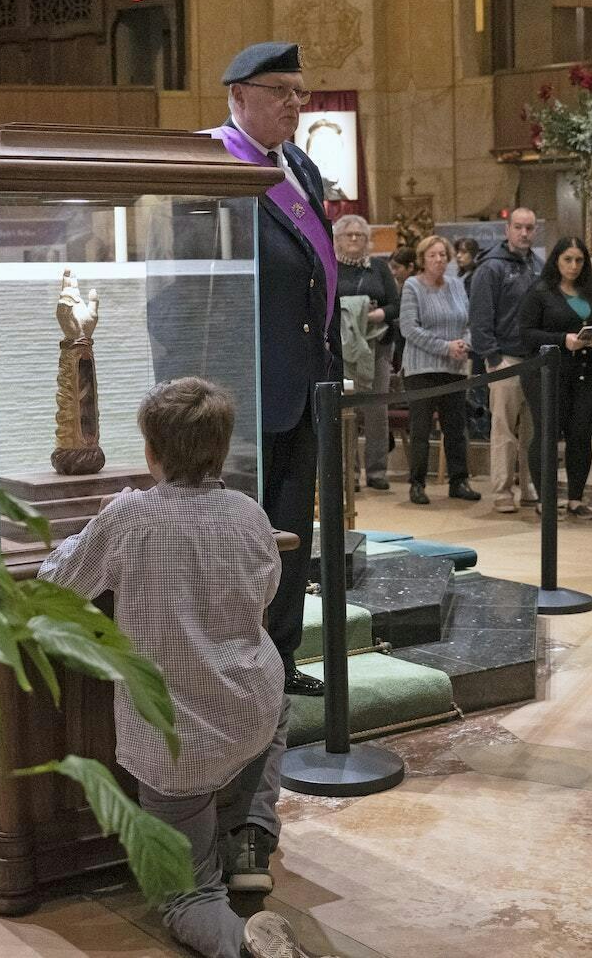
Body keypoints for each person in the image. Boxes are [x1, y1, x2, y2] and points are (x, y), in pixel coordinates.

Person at [38, 379, 325, 958]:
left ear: (151, 452)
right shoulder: (248, 514)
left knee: (187, 899)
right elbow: (264, 591)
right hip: (247, 706)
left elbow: (56, 582)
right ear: (221, 450)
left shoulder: (130, 516)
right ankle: (250, 836)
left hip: (171, 742)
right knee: (275, 713)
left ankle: (242, 947)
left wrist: (89, 529)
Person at [215, 41, 339, 698]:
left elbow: (319, 278)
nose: (295, 103)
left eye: (300, 90)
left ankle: (282, 655)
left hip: (304, 382)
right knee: (242, 536)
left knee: (294, 530)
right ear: (238, 96)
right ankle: (238, 660)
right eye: (280, 91)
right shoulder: (212, 161)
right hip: (242, 388)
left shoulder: (300, 166)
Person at [518, 236, 592, 519]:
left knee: (581, 436)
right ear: (556, 261)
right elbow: (526, 334)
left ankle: (575, 499)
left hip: (588, 373)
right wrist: (563, 339)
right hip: (549, 375)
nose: (573, 266)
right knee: (547, 435)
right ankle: (545, 500)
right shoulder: (540, 292)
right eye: (567, 260)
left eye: (579, 260)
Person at [399, 234, 482, 506]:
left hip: (455, 368)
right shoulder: (413, 286)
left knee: (456, 428)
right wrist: (445, 347)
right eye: (433, 255)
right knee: (421, 429)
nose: (439, 260)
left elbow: (468, 322)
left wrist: (464, 344)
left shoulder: (457, 285)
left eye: (443, 255)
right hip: (421, 369)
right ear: (423, 259)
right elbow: (409, 328)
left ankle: (459, 481)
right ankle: (417, 484)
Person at [468, 207, 541, 514]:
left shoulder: (538, 265)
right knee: (503, 428)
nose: (524, 233)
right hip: (505, 359)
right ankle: (501, 490)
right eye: (519, 227)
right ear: (507, 229)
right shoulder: (491, 267)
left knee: (533, 431)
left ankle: (528, 487)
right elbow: (480, 316)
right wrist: (492, 357)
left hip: (535, 360)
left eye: (529, 228)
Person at [333, 213, 398, 491]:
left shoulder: (379, 268)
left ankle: (377, 471)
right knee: (346, 411)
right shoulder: (331, 267)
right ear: (337, 239)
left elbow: (396, 304)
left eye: (360, 235)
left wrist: (378, 314)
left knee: (376, 409)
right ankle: (349, 473)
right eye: (349, 235)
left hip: (377, 345)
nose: (355, 239)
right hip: (343, 347)